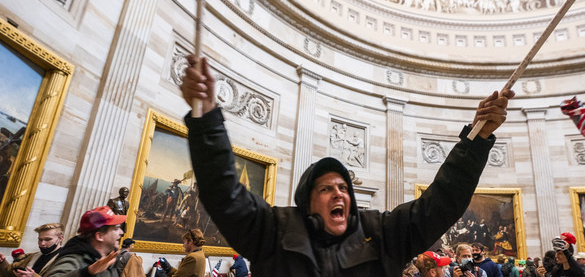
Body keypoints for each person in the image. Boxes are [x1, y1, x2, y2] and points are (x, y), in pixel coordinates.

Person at [179, 55, 513, 277]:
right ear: (307, 199)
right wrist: (207, 117)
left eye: (343, 187)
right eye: (326, 188)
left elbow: (443, 201)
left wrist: (477, 136)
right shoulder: (274, 231)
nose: (339, 193)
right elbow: (224, 192)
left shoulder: (382, 234)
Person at [43, 206, 125, 277]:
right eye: (116, 228)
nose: (121, 232)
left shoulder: (109, 258)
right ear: (100, 236)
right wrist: (87, 272)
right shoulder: (75, 259)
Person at [0, 223, 65, 277]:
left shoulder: (64, 260)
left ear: (60, 238)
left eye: (48, 239)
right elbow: (9, 274)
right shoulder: (31, 256)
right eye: (40, 239)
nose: (42, 243)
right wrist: (0, 263)